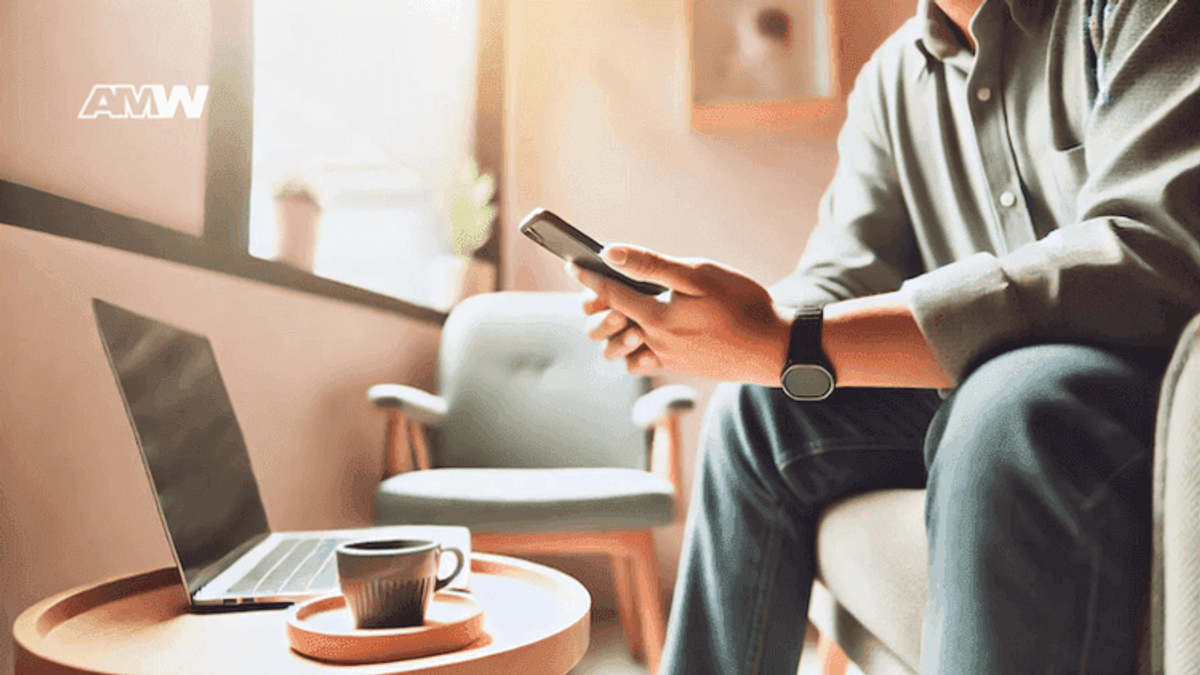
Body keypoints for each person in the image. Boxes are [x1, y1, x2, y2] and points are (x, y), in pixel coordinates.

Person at [568, 0, 1200, 673]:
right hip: (983, 389)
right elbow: (841, 275)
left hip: (1149, 391)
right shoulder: (891, 79)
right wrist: (735, 323)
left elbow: (1151, 250)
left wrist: (788, 339)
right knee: (756, 410)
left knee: (998, 409)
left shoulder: (1139, 11)